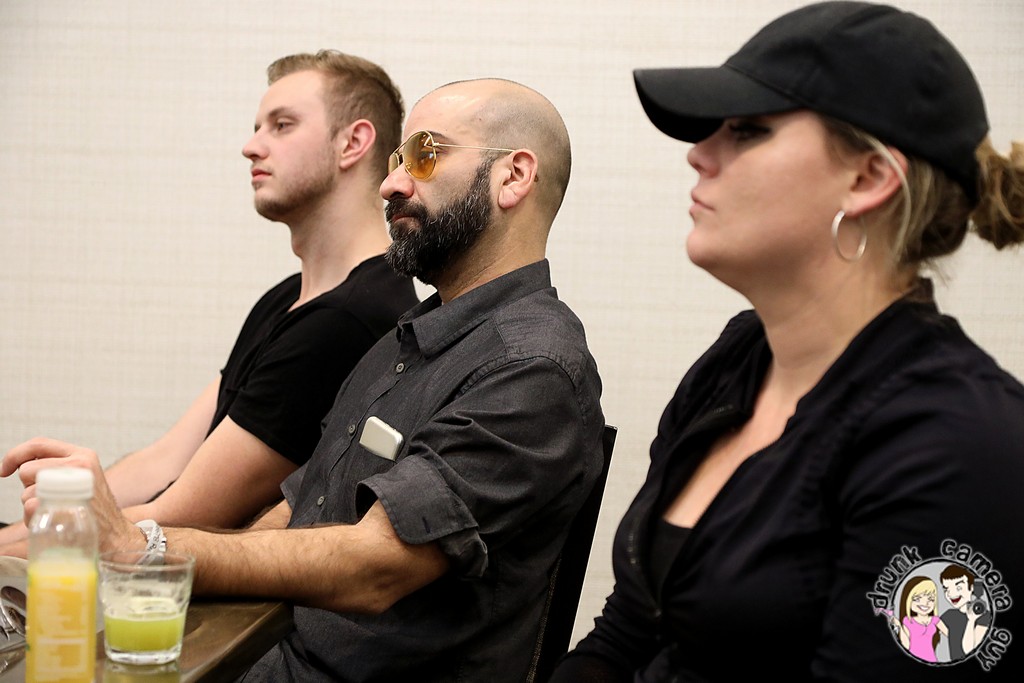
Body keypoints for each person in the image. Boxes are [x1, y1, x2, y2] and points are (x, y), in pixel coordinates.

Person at [3, 77, 605, 682]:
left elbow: (376, 566)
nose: (392, 184)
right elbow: (300, 506)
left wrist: (148, 548)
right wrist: (142, 554)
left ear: (513, 176)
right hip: (265, 652)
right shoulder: (407, 341)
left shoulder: (531, 368)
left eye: (424, 155)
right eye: (397, 161)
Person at [553, 2, 1024, 680]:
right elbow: (628, 630)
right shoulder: (737, 361)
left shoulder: (960, 441)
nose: (699, 154)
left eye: (747, 130)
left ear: (868, 178)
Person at [0, 51, 418, 553]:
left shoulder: (346, 320)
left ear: (353, 143)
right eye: (257, 127)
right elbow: (164, 460)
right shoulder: (289, 297)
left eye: (282, 125)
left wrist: (17, 546)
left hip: (206, 584)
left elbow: (186, 515)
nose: (250, 146)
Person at [941, 565, 992, 660]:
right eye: (946, 589)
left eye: (958, 588)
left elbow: (969, 651)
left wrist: (971, 620)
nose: (951, 594)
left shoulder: (984, 616)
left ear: (971, 587)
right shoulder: (949, 615)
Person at [892, 577, 947, 663]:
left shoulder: (935, 620)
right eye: (917, 599)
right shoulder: (908, 621)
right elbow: (906, 645)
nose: (925, 603)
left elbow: (951, 635)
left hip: (931, 660)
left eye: (931, 599)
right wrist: (898, 626)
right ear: (908, 600)